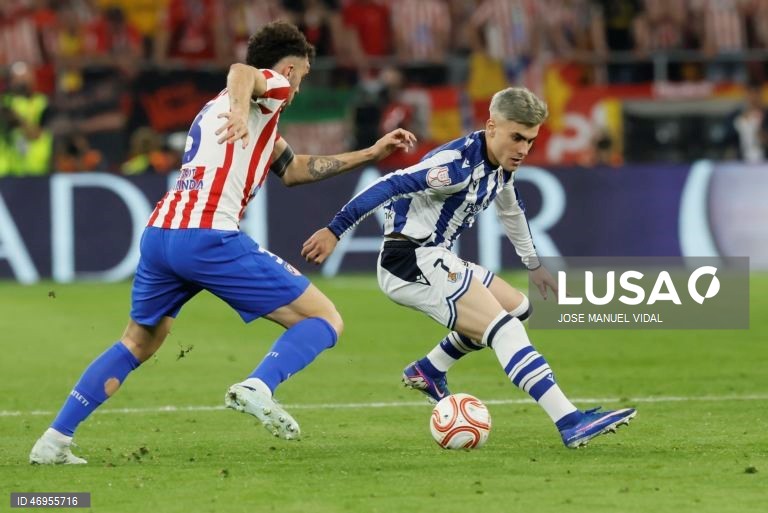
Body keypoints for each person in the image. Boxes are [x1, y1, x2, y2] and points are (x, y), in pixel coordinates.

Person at [30, 21, 415, 465]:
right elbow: (241, 71)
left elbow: (294, 170)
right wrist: (239, 109)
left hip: (161, 235)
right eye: (303, 77)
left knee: (137, 342)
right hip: (207, 236)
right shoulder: (265, 89)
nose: (299, 89)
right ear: (289, 70)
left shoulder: (231, 112)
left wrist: (370, 154)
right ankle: (258, 385)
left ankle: (54, 440)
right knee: (325, 318)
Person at [301, 87, 636, 448]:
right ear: (491, 127)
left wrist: (534, 265)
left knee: (518, 308)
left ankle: (429, 369)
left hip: (436, 255)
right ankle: (570, 421)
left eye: (530, 140)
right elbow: (389, 184)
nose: (523, 149)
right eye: (516, 137)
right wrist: (335, 230)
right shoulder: (455, 167)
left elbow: (511, 210)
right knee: (505, 330)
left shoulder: (500, 166)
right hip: (411, 260)